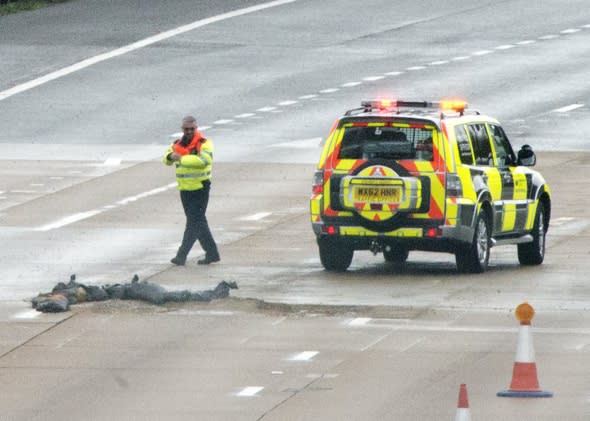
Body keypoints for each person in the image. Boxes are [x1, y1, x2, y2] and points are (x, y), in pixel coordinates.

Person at [164, 116, 220, 265]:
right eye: (186, 129)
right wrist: (170, 156)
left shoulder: (204, 144)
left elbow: (204, 161)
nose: (189, 131)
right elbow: (166, 158)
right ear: (182, 129)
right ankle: (212, 253)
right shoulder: (177, 144)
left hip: (200, 187)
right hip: (185, 189)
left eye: (192, 129)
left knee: (194, 222)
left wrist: (181, 158)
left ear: (196, 129)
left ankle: (181, 255)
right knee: (198, 221)